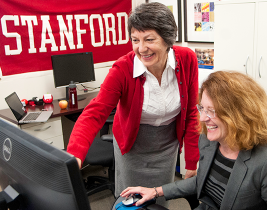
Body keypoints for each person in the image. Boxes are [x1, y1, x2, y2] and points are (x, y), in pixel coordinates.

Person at [66, 2, 200, 207]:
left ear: (167, 39)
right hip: (132, 148)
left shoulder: (187, 59)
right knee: (130, 204)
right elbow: (95, 112)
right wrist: (75, 154)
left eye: (149, 40)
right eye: (135, 40)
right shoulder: (122, 69)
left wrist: (191, 159)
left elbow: (191, 112)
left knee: (159, 200)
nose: (141, 48)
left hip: (167, 147)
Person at [120, 71, 267, 210]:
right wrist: (155, 191)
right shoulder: (208, 141)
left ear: (239, 115)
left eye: (211, 111)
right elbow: (202, 181)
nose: (203, 118)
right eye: (202, 109)